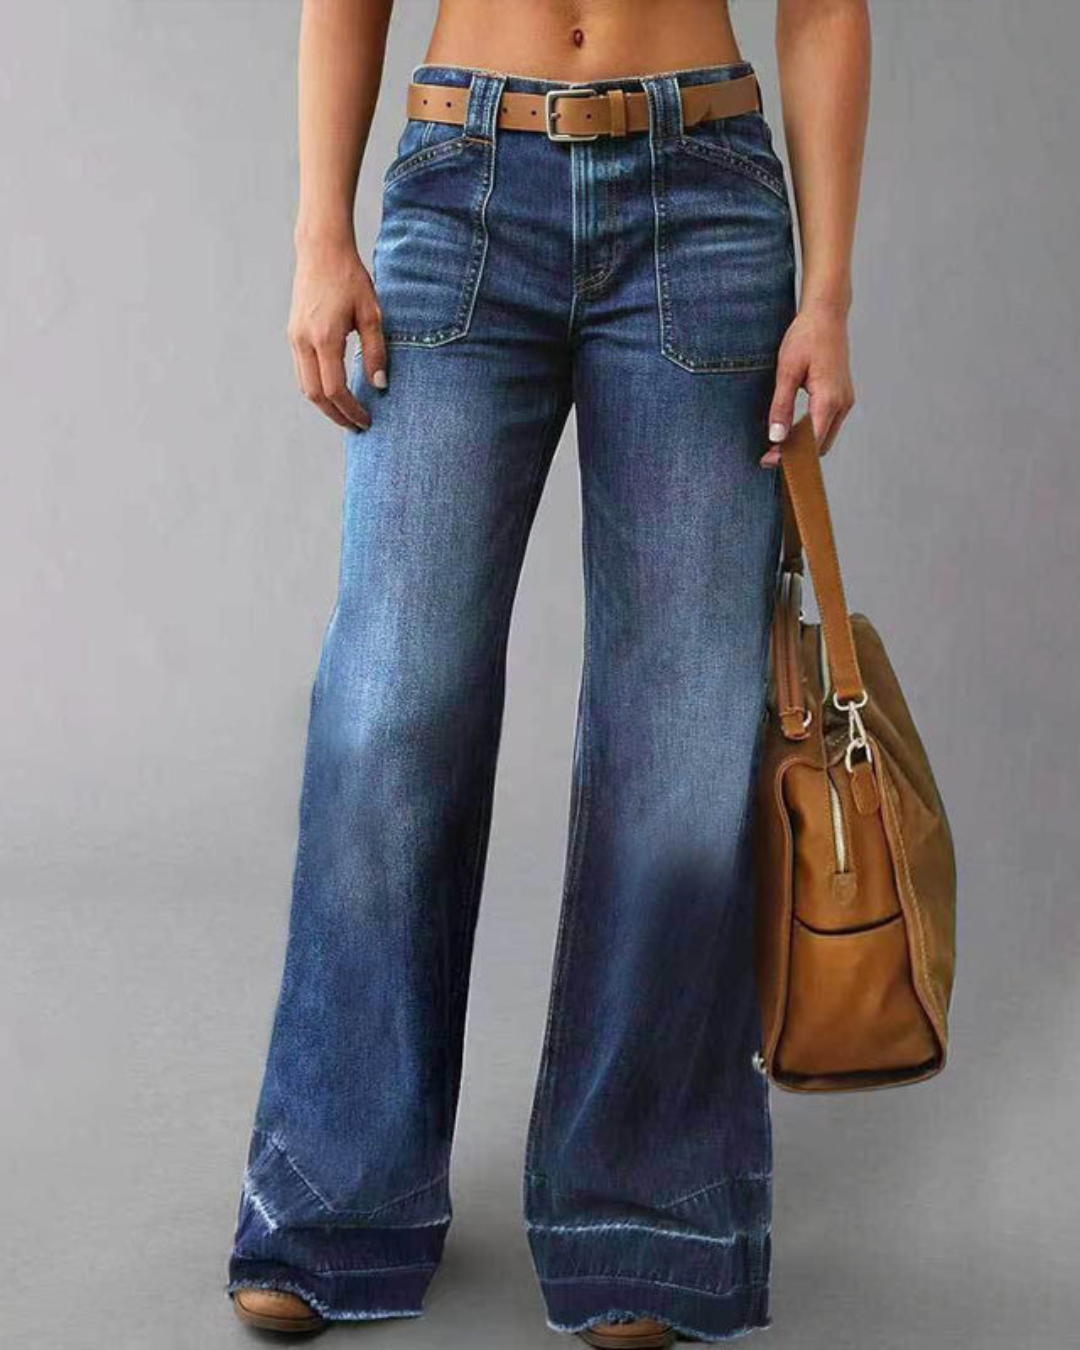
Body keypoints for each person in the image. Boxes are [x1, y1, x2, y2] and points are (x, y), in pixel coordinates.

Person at [226, 1, 870, 1344]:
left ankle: (647, 1210)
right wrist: (318, 232)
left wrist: (828, 294)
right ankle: (335, 1197)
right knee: (393, 703)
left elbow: (822, 8)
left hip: (704, 198)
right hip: (465, 180)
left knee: (681, 735)